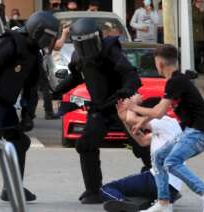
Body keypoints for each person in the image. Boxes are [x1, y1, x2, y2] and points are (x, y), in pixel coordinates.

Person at [0, 11, 59, 207]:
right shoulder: (11, 42)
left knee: (19, 141)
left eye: (51, 38)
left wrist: (27, 116)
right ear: (36, 31)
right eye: (46, 36)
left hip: (6, 105)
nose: (47, 41)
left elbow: (31, 89)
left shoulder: (34, 54)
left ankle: (11, 189)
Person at [53, 18, 147, 204]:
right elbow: (76, 77)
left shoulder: (111, 49)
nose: (86, 49)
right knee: (85, 145)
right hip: (100, 109)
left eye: (88, 44)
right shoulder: (78, 57)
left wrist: (125, 93)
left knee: (141, 143)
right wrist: (56, 91)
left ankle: (161, 181)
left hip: (120, 104)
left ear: (96, 38)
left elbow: (130, 75)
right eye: (82, 44)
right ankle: (93, 190)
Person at [128, 44, 204, 212]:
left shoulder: (176, 81)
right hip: (192, 130)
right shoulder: (175, 81)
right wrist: (143, 122)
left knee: (172, 161)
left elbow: (158, 112)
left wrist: (133, 107)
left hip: (202, 131)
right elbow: (162, 106)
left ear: (160, 63)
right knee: (159, 157)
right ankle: (164, 203)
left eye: (155, 62)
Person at [101, 97, 183, 212]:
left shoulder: (163, 121)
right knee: (140, 184)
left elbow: (131, 119)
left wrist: (132, 105)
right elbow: (143, 141)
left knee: (107, 188)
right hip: (172, 188)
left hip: (157, 179)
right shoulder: (172, 126)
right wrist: (125, 120)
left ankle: (122, 202)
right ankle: (149, 202)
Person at [192, 0, 204, 72]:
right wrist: (201, 12)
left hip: (200, 35)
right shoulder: (193, 9)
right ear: (195, 2)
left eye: (201, 2)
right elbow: (197, 18)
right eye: (199, 2)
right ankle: (195, 68)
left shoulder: (198, 9)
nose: (200, 3)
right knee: (195, 53)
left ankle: (198, 67)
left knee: (199, 52)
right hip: (195, 36)